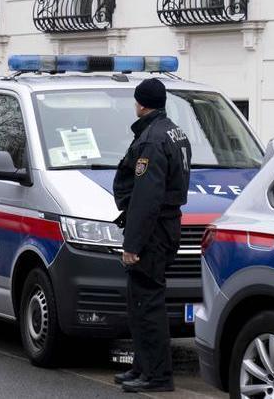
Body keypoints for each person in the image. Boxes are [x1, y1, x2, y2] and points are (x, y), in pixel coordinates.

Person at [112, 78, 191, 394]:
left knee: (148, 304)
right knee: (140, 302)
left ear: (140, 103)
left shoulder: (151, 140)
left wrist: (132, 245)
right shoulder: (174, 131)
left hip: (153, 231)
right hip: (165, 227)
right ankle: (142, 367)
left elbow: (146, 198)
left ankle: (157, 375)